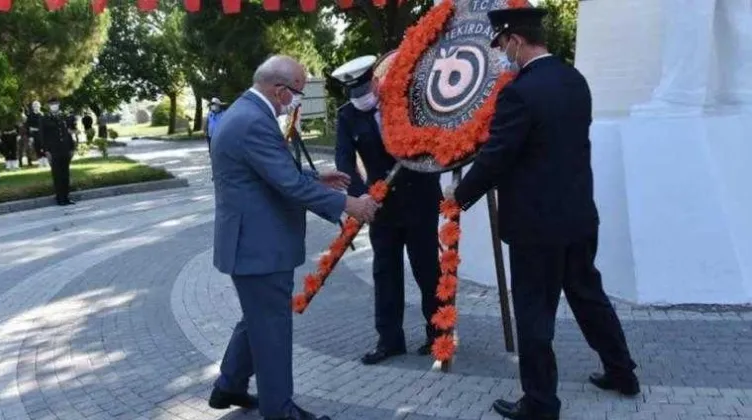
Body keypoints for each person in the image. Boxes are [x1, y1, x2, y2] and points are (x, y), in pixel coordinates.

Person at [445, 7, 639, 420]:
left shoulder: (519, 92)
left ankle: (540, 403)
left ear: (514, 39)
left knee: (534, 313)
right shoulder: (574, 80)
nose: (501, 54)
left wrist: (457, 196)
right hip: (579, 217)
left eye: (501, 46)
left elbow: (497, 156)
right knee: (589, 296)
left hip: (536, 227)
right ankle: (623, 372)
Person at [208, 55, 380, 420]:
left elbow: (269, 170)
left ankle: (229, 386)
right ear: (278, 89)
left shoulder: (246, 113)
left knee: (257, 318)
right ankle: (279, 410)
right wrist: (350, 204)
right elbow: (285, 184)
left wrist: (316, 179)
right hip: (259, 244)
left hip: (251, 242)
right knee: (270, 327)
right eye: (297, 92)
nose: (297, 100)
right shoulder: (254, 121)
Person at [331, 55, 443, 364]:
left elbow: (433, 139)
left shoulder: (406, 102)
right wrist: (360, 198)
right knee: (385, 272)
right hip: (381, 208)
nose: (361, 98)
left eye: (364, 90)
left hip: (419, 200)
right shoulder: (347, 117)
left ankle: (439, 334)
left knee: (427, 269)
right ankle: (389, 340)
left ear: (377, 82)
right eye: (354, 94)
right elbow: (345, 162)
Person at [40, 97, 77, 206]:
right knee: (57, 174)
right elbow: (42, 136)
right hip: (53, 150)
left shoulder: (64, 117)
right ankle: (60, 198)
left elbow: (68, 133)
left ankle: (66, 197)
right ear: (48, 106)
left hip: (65, 149)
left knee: (66, 174)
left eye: (56, 103)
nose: (54, 105)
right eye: (52, 104)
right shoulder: (44, 119)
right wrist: (46, 151)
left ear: (59, 104)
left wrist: (71, 148)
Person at [27, 101, 48, 167]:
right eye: (35, 106)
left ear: (40, 106)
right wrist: (30, 136)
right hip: (35, 135)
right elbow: (28, 127)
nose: (36, 107)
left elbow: (46, 125)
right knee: (37, 148)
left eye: (37, 105)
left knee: (44, 147)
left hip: (43, 134)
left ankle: (46, 162)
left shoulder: (42, 114)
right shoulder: (30, 115)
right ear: (33, 107)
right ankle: (40, 163)